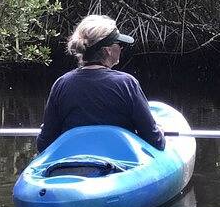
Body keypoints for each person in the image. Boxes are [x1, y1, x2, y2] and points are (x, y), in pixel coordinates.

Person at [35, 15, 165, 153]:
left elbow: (44, 143)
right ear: (108, 50)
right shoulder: (127, 84)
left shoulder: (61, 84)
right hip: (118, 162)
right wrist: (160, 131)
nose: (121, 49)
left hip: (72, 160)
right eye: (120, 44)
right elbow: (156, 141)